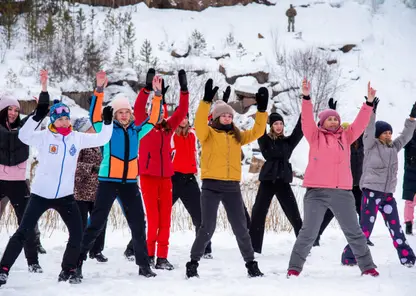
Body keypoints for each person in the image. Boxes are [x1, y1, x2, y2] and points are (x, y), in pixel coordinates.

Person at [0, 70, 114, 287]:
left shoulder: (76, 138)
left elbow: (102, 138)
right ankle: (3, 269)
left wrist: (107, 122)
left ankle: (68, 269)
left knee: (77, 234)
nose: (64, 122)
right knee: (23, 233)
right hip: (40, 195)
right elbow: (24, 135)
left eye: (66, 118)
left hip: (65, 197)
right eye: (60, 118)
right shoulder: (44, 137)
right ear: (53, 120)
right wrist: (39, 112)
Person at [287, 80, 379, 277]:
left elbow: (360, 123)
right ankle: (294, 269)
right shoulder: (314, 135)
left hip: (342, 192)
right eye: (330, 119)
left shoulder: (346, 136)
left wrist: (368, 103)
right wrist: (306, 98)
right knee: (308, 233)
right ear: (322, 122)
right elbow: (306, 121)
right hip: (316, 192)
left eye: (336, 119)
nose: (334, 122)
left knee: (354, 232)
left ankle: (368, 267)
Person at [78, 72, 163, 278]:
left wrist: (158, 95)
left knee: (138, 223)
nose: (124, 115)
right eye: (120, 112)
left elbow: (152, 120)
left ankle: (144, 266)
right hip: (108, 182)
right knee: (96, 223)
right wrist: (99, 91)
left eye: (127, 112)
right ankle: (76, 263)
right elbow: (95, 116)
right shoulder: (105, 129)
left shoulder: (136, 131)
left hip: (130, 184)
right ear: (115, 114)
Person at [185, 79, 268, 278]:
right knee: (207, 228)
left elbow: (257, 131)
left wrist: (262, 110)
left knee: (241, 228)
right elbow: (198, 124)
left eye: (230, 115)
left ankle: (251, 264)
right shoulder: (208, 134)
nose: (227, 117)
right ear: (216, 117)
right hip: (211, 186)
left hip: (232, 187)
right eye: (223, 115)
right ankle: (193, 263)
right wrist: (205, 101)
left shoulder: (237, 136)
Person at [341, 99, 416, 267]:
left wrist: (411, 119)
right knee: (365, 229)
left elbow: (405, 136)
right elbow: (368, 128)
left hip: (388, 195)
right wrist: (371, 111)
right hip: (371, 192)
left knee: (396, 229)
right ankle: (349, 256)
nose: (388, 135)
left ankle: (407, 257)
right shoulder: (370, 145)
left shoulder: (393, 147)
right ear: (378, 135)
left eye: (390, 132)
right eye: (385, 133)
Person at [132, 69, 189, 270]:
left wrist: (184, 90)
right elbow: (139, 106)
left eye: (162, 114)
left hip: (166, 179)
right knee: (153, 219)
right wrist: (148, 89)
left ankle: (162, 258)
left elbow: (182, 111)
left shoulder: (167, 128)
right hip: (148, 177)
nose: (160, 117)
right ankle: (148, 254)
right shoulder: (142, 125)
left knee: (165, 220)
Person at [313, 99, 373, 247]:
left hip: (357, 185)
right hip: (342, 185)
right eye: (343, 130)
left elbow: (364, 126)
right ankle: (316, 235)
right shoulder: (342, 145)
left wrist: (371, 111)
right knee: (329, 212)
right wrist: (331, 110)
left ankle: (364, 236)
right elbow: (324, 132)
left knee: (362, 211)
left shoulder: (361, 146)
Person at [0, 92, 45, 273]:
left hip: (18, 183)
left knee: (26, 222)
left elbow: (40, 114)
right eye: (9, 109)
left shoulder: (24, 129)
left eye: (16, 110)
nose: (13, 113)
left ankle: (32, 261)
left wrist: (43, 91)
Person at [249, 112, 303, 254]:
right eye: (275, 124)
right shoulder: (265, 140)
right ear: (271, 126)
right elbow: (259, 128)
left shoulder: (288, 142)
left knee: (294, 213)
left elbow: (300, 129)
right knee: (258, 212)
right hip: (267, 181)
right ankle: (254, 247)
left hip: (283, 182)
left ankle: (304, 244)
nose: (278, 126)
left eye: (281, 124)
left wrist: (305, 107)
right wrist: (261, 112)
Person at [170, 108, 213, 258]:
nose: (183, 120)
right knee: (157, 215)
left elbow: (205, 121)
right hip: (172, 179)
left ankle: (205, 249)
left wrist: (219, 105)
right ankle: (133, 248)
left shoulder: (193, 133)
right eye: (180, 117)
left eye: (185, 117)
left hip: (189, 180)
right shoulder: (169, 133)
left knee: (201, 216)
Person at [73, 117, 108, 263]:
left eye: (91, 128)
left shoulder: (99, 143)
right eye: (87, 129)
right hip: (82, 191)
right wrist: (92, 168)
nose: (91, 131)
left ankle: (97, 250)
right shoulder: (80, 145)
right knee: (81, 224)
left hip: (98, 189)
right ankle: (80, 250)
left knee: (100, 221)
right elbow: (74, 166)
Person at [402, 131, 416, 235]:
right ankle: (408, 224)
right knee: (410, 201)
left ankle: (408, 224)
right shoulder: (409, 139)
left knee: (410, 202)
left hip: (409, 172)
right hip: (410, 173)